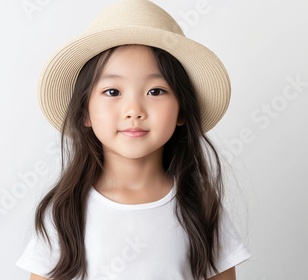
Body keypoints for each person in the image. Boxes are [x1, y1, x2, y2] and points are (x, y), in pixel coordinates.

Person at [16, 0, 251, 279]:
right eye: (113, 91)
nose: (134, 111)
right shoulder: (65, 212)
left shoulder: (201, 208)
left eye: (155, 91)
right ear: (85, 112)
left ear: (182, 111)